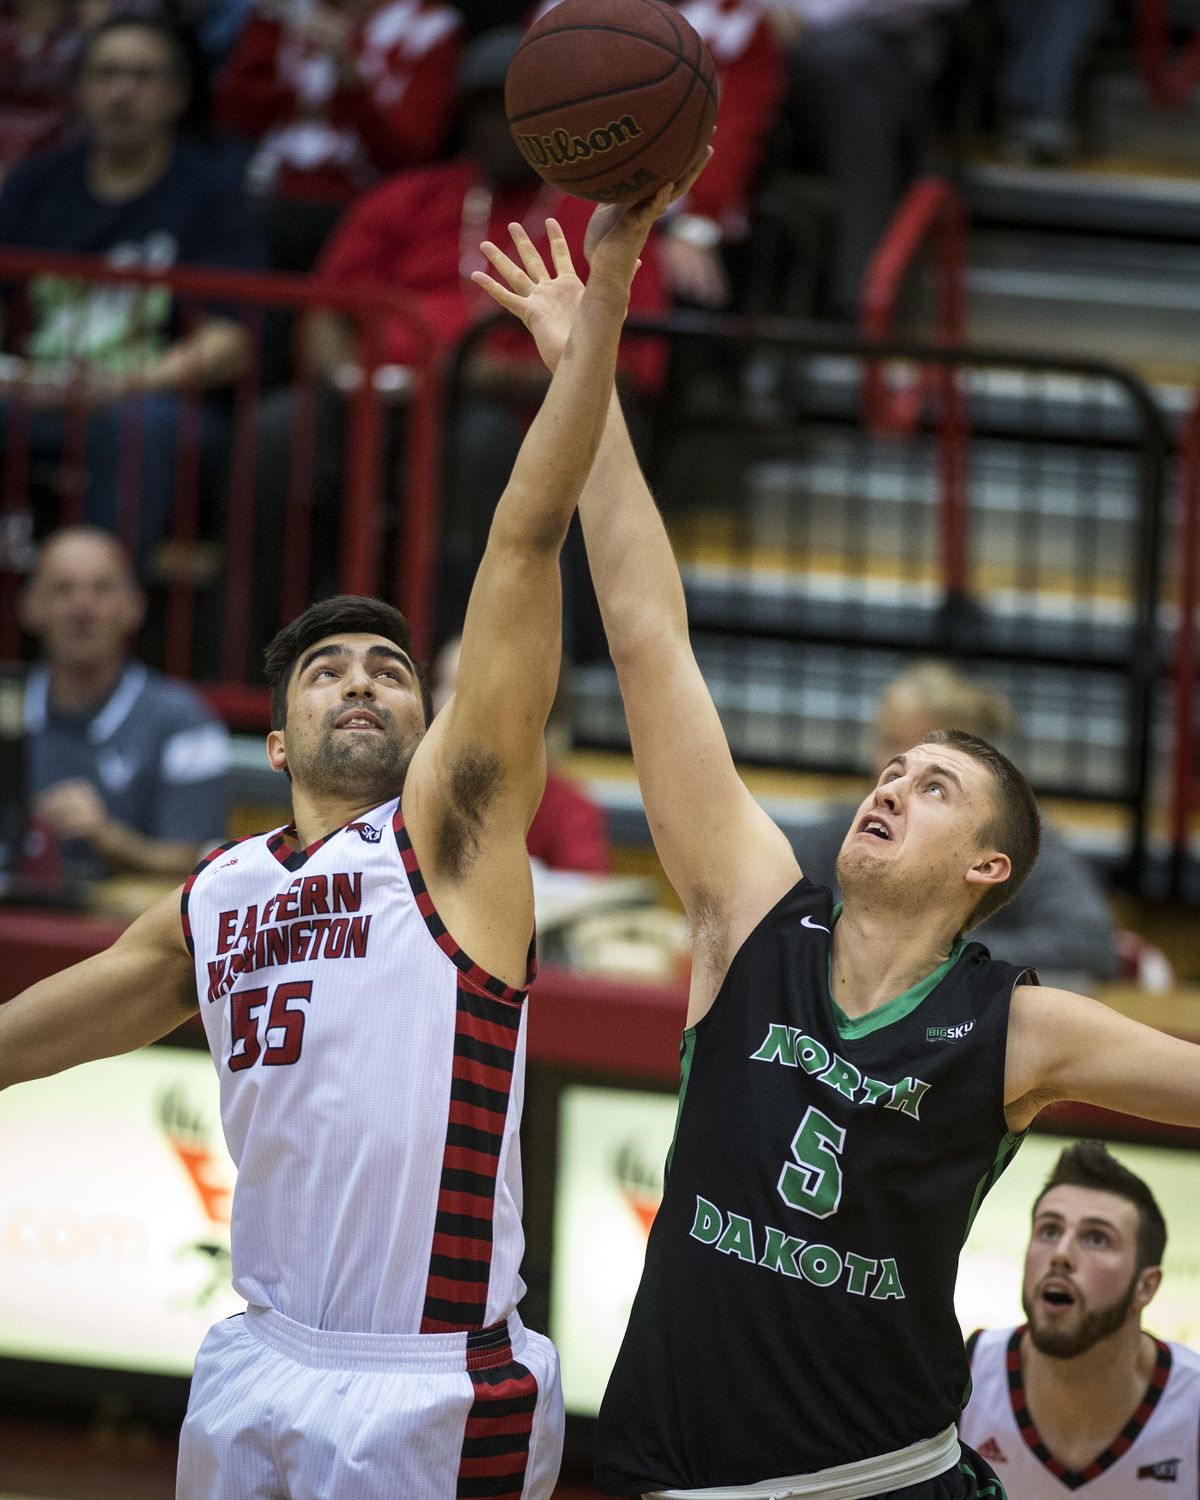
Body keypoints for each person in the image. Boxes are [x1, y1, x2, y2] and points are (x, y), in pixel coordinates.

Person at [477, 199, 1200, 1499]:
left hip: (880, 1479)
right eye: (891, 769)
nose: (890, 784)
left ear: (991, 869)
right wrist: (592, 343)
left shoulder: (1014, 1027)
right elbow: (646, 628)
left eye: (933, 786)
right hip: (667, 1466)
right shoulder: (754, 907)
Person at [0, 169, 686, 1498]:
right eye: (327, 671)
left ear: (435, 726)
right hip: (254, 1358)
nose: (363, 678)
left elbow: (521, 543)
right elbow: (60, 1022)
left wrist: (593, 313)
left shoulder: (453, 842)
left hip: (428, 1385)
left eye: (388, 666)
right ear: (274, 739)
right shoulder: (221, 890)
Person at [247, 24, 667, 652]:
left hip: (513, 418)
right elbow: (326, 315)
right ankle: (272, 648)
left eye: (519, 116)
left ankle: (471, 662)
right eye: (484, 113)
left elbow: (631, 371)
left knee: (486, 450)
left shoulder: (601, 218)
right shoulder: (410, 197)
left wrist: (481, 374)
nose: (500, 130)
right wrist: (346, 378)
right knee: (280, 432)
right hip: (379, 402)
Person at [0, 12, 265, 564]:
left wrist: (122, 385)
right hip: (38, 393)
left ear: (175, 95)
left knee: (137, 426)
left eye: (142, 77)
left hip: (156, 402)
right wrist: (18, 378)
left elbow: (227, 343)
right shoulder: (34, 184)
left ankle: (101, 611)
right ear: (80, 89)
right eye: (106, 74)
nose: (122, 91)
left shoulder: (215, 198)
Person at [798, 661, 1120, 990]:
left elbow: (1088, 943)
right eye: (891, 746)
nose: (895, 780)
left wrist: (936, 954)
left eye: (934, 782)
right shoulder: (856, 824)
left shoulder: (1017, 840)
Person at [960, 1141, 1200, 1494]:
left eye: (1097, 1239)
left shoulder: (1192, 1402)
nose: (1060, 1254)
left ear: (1145, 1287)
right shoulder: (964, 1374)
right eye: (1050, 1230)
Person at [21, 524, 229, 882]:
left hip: (125, 933)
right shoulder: (8, 704)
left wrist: (109, 839)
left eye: (101, 589)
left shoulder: (185, 721)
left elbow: (205, 863)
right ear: (29, 606)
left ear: (133, 607)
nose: (81, 607)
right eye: (62, 589)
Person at [214, 0, 464, 269]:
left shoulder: (429, 25)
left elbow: (411, 154)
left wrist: (352, 82)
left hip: (368, 206)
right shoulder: (282, 13)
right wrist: (266, 29)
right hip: (267, 197)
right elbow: (234, 120)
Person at [432, 633, 611, 875]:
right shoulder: (409, 790)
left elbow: (585, 889)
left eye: (466, 689)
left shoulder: (568, 806)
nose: (446, 702)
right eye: (443, 684)